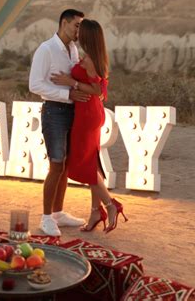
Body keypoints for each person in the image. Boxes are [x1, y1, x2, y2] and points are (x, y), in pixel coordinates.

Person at [51, 19, 128, 233]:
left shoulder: (91, 59)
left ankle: (112, 205)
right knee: (91, 163)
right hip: (91, 112)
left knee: (83, 164)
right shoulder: (94, 56)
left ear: (87, 36)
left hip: (87, 114)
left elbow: (97, 90)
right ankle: (96, 211)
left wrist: (71, 82)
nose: (77, 32)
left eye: (80, 30)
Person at [29, 9, 88, 236]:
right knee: (56, 164)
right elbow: (35, 85)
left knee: (65, 165)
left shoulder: (73, 49)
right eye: (76, 25)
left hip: (73, 111)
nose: (78, 31)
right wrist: (67, 95)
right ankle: (46, 218)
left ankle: (58, 212)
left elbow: (72, 80)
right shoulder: (46, 49)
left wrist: (73, 88)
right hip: (54, 112)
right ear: (64, 23)